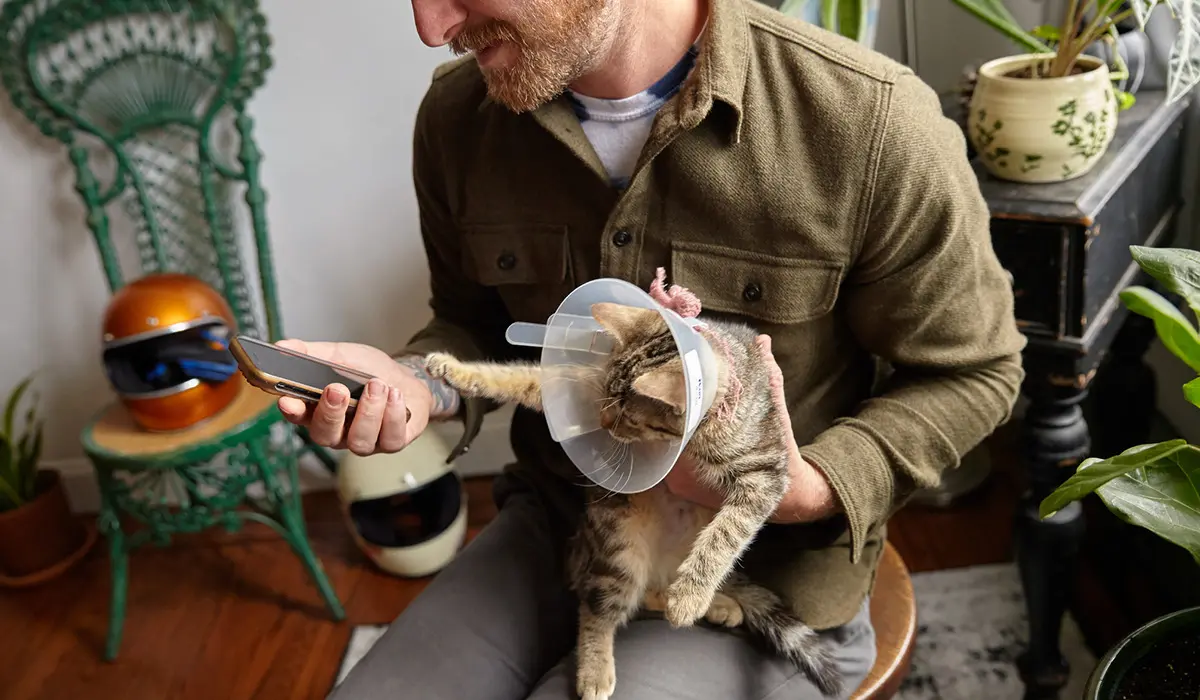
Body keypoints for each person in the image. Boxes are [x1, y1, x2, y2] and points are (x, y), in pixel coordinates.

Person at [286, 0, 1027, 697]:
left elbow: (975, 371)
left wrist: (803, 491)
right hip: (559, 528)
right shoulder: (456, 119)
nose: (429, 25)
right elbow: (471, 324)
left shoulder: (869, 121)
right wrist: (417, 382)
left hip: (756, 569)